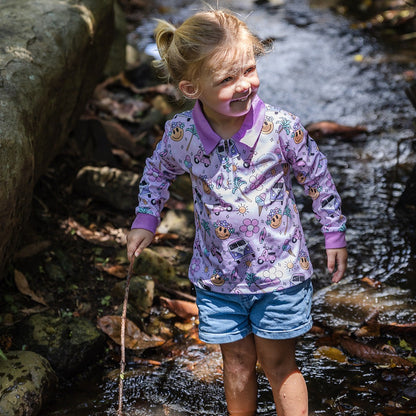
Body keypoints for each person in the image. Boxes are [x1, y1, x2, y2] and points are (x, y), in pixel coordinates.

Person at [127, 8, 347, 416]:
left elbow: (317, 176)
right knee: (238, 362)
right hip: (218, 276)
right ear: (192, 88)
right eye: (227, 79)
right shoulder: (183, 135)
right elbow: (156, 172)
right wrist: (146, 219)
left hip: (280, 272)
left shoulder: (280, 129)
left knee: (279, 363)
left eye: (248, 69)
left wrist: (332, 232)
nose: (245, 85)